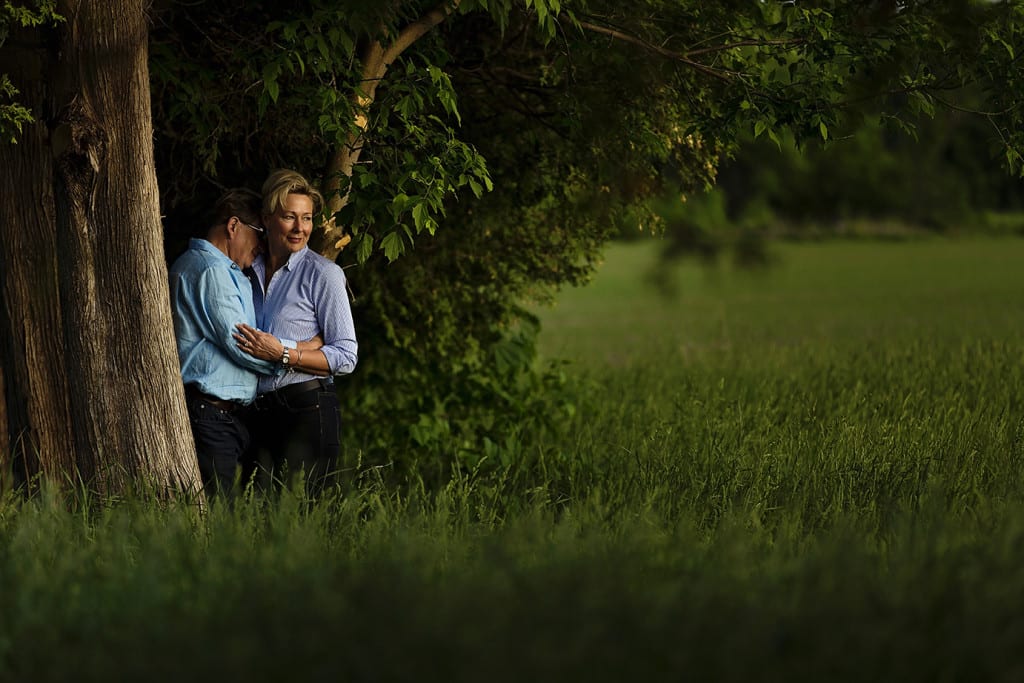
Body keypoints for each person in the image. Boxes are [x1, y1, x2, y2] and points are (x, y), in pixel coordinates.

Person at [168, 188, 315, 499]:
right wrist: (296, 353)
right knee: (221, 517)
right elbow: (243, 343)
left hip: (225, 418)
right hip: (210, 416)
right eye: (260, 234)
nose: (262, 247)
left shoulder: (224, 270)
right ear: (233, 226)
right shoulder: (209, 270)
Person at [235, 169, 358, 496]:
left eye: (306, 218)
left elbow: (346, 356)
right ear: (267, 218)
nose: (300, 228)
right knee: (255, 519)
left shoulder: (324, 275)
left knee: (304, 521)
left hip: (306, 409)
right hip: (255, 413)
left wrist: (285, 352)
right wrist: (303, 346)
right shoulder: (246, 271)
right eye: (289, 216)